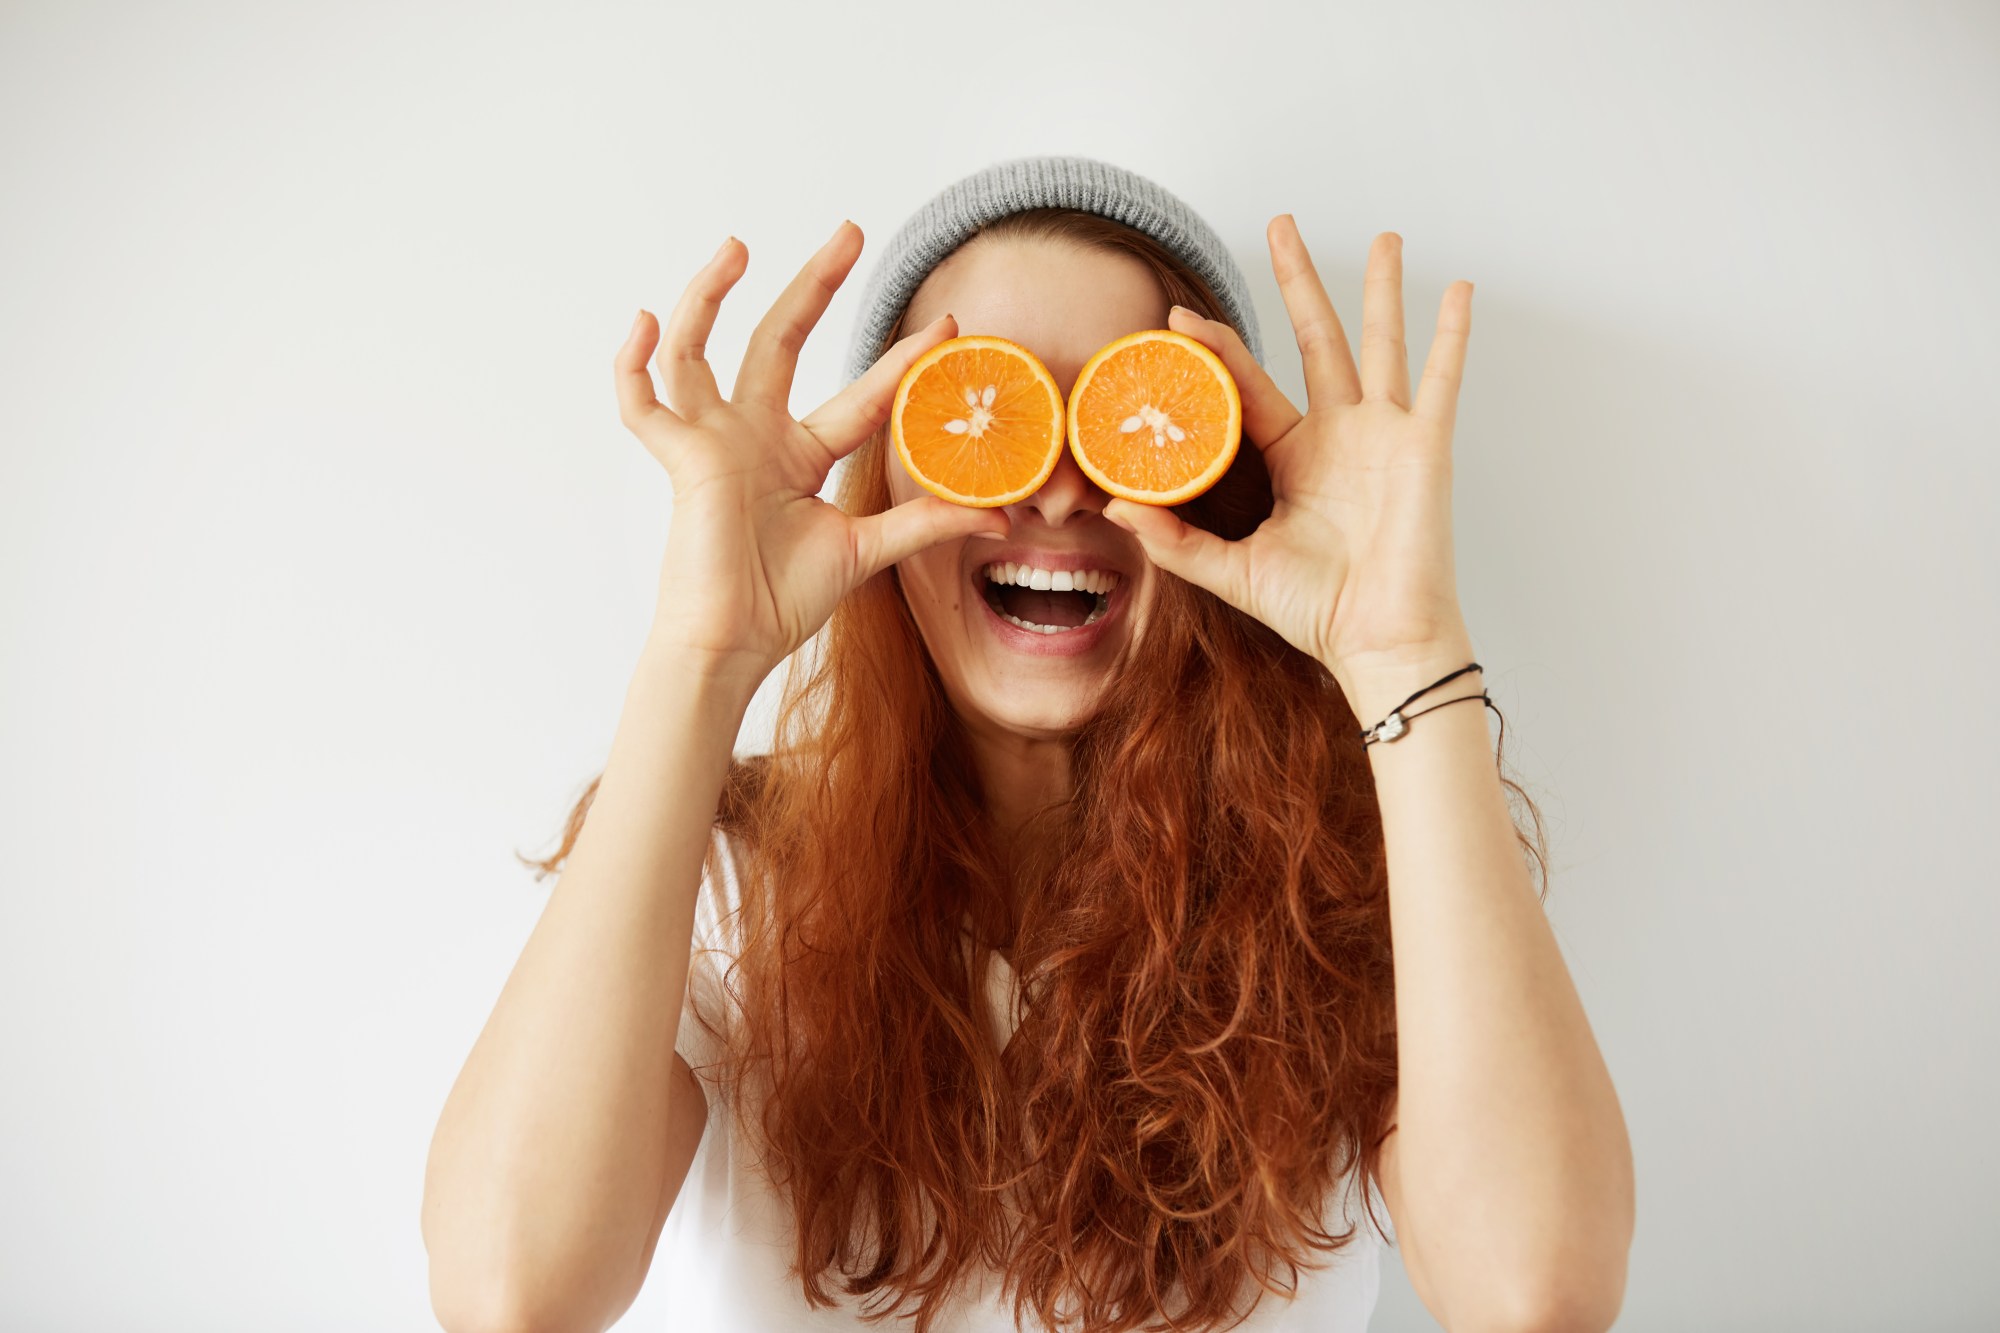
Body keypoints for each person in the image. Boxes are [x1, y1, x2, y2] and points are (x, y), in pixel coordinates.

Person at [421, 155, 1634, 1333]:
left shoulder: (1354, 877)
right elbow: (509, 1292)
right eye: (983, 414)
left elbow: (1533, 1291)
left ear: (1216, 483)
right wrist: (700, 657)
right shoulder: (723, 878)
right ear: (881, 483)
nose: (1055, 492)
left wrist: (1403, 655)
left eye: (1125, 418)